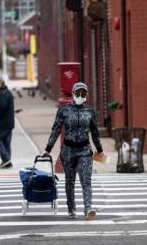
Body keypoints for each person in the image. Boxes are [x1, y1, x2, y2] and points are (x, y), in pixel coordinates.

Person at [43, 82, 105, 220]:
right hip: (68, 151)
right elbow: (56, 130)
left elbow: (95, 133)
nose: (80, 95)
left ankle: (88, 209)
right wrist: (48, 148)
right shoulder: (64, 110)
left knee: (86, 180)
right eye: (77, 93)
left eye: (83, 93)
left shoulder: (90, 111)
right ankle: (71, 209)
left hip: (84, 150)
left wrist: (100, 150)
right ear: (73, 93)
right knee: (69, 181)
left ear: (86, 95)